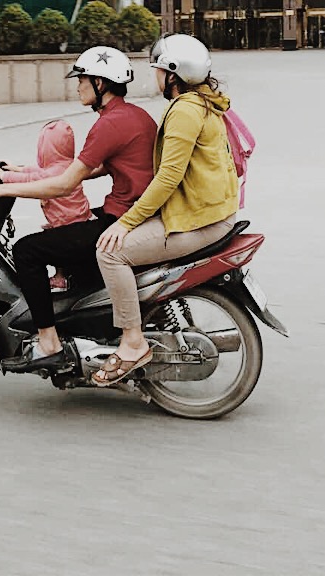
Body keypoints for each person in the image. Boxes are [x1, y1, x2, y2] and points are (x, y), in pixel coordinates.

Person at [0, 47, 157, 370]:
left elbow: (63, 184)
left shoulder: (110, 124)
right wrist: (17, 170)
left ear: (101, 83)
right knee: (70, 239)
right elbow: (86, 168)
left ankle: (48, 341)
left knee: (27, 250)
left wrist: (1, 187)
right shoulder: (133, 116)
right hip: (132, 213)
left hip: (123, 218)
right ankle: (87, 324)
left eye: (83, 80)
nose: (78, 86)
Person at [92, 34, 239, 387]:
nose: (154, 76)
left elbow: (167, 178)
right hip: (212, 212)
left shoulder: (185, 110)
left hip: (200, 220)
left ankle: (132, 342)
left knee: (110, 252)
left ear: (173, 74)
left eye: (158, 69)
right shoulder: (203, 102)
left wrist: (126, 223)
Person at [0, 119, 93, 291]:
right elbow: (38, 172)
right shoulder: (68, 166)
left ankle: (44, 293)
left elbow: (34, 179)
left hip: (69, 224)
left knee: (33, 248)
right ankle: (60, 277)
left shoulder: (55, 172)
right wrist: (16, 169)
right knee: (51, 233)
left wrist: (2, 177)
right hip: (75, 219)